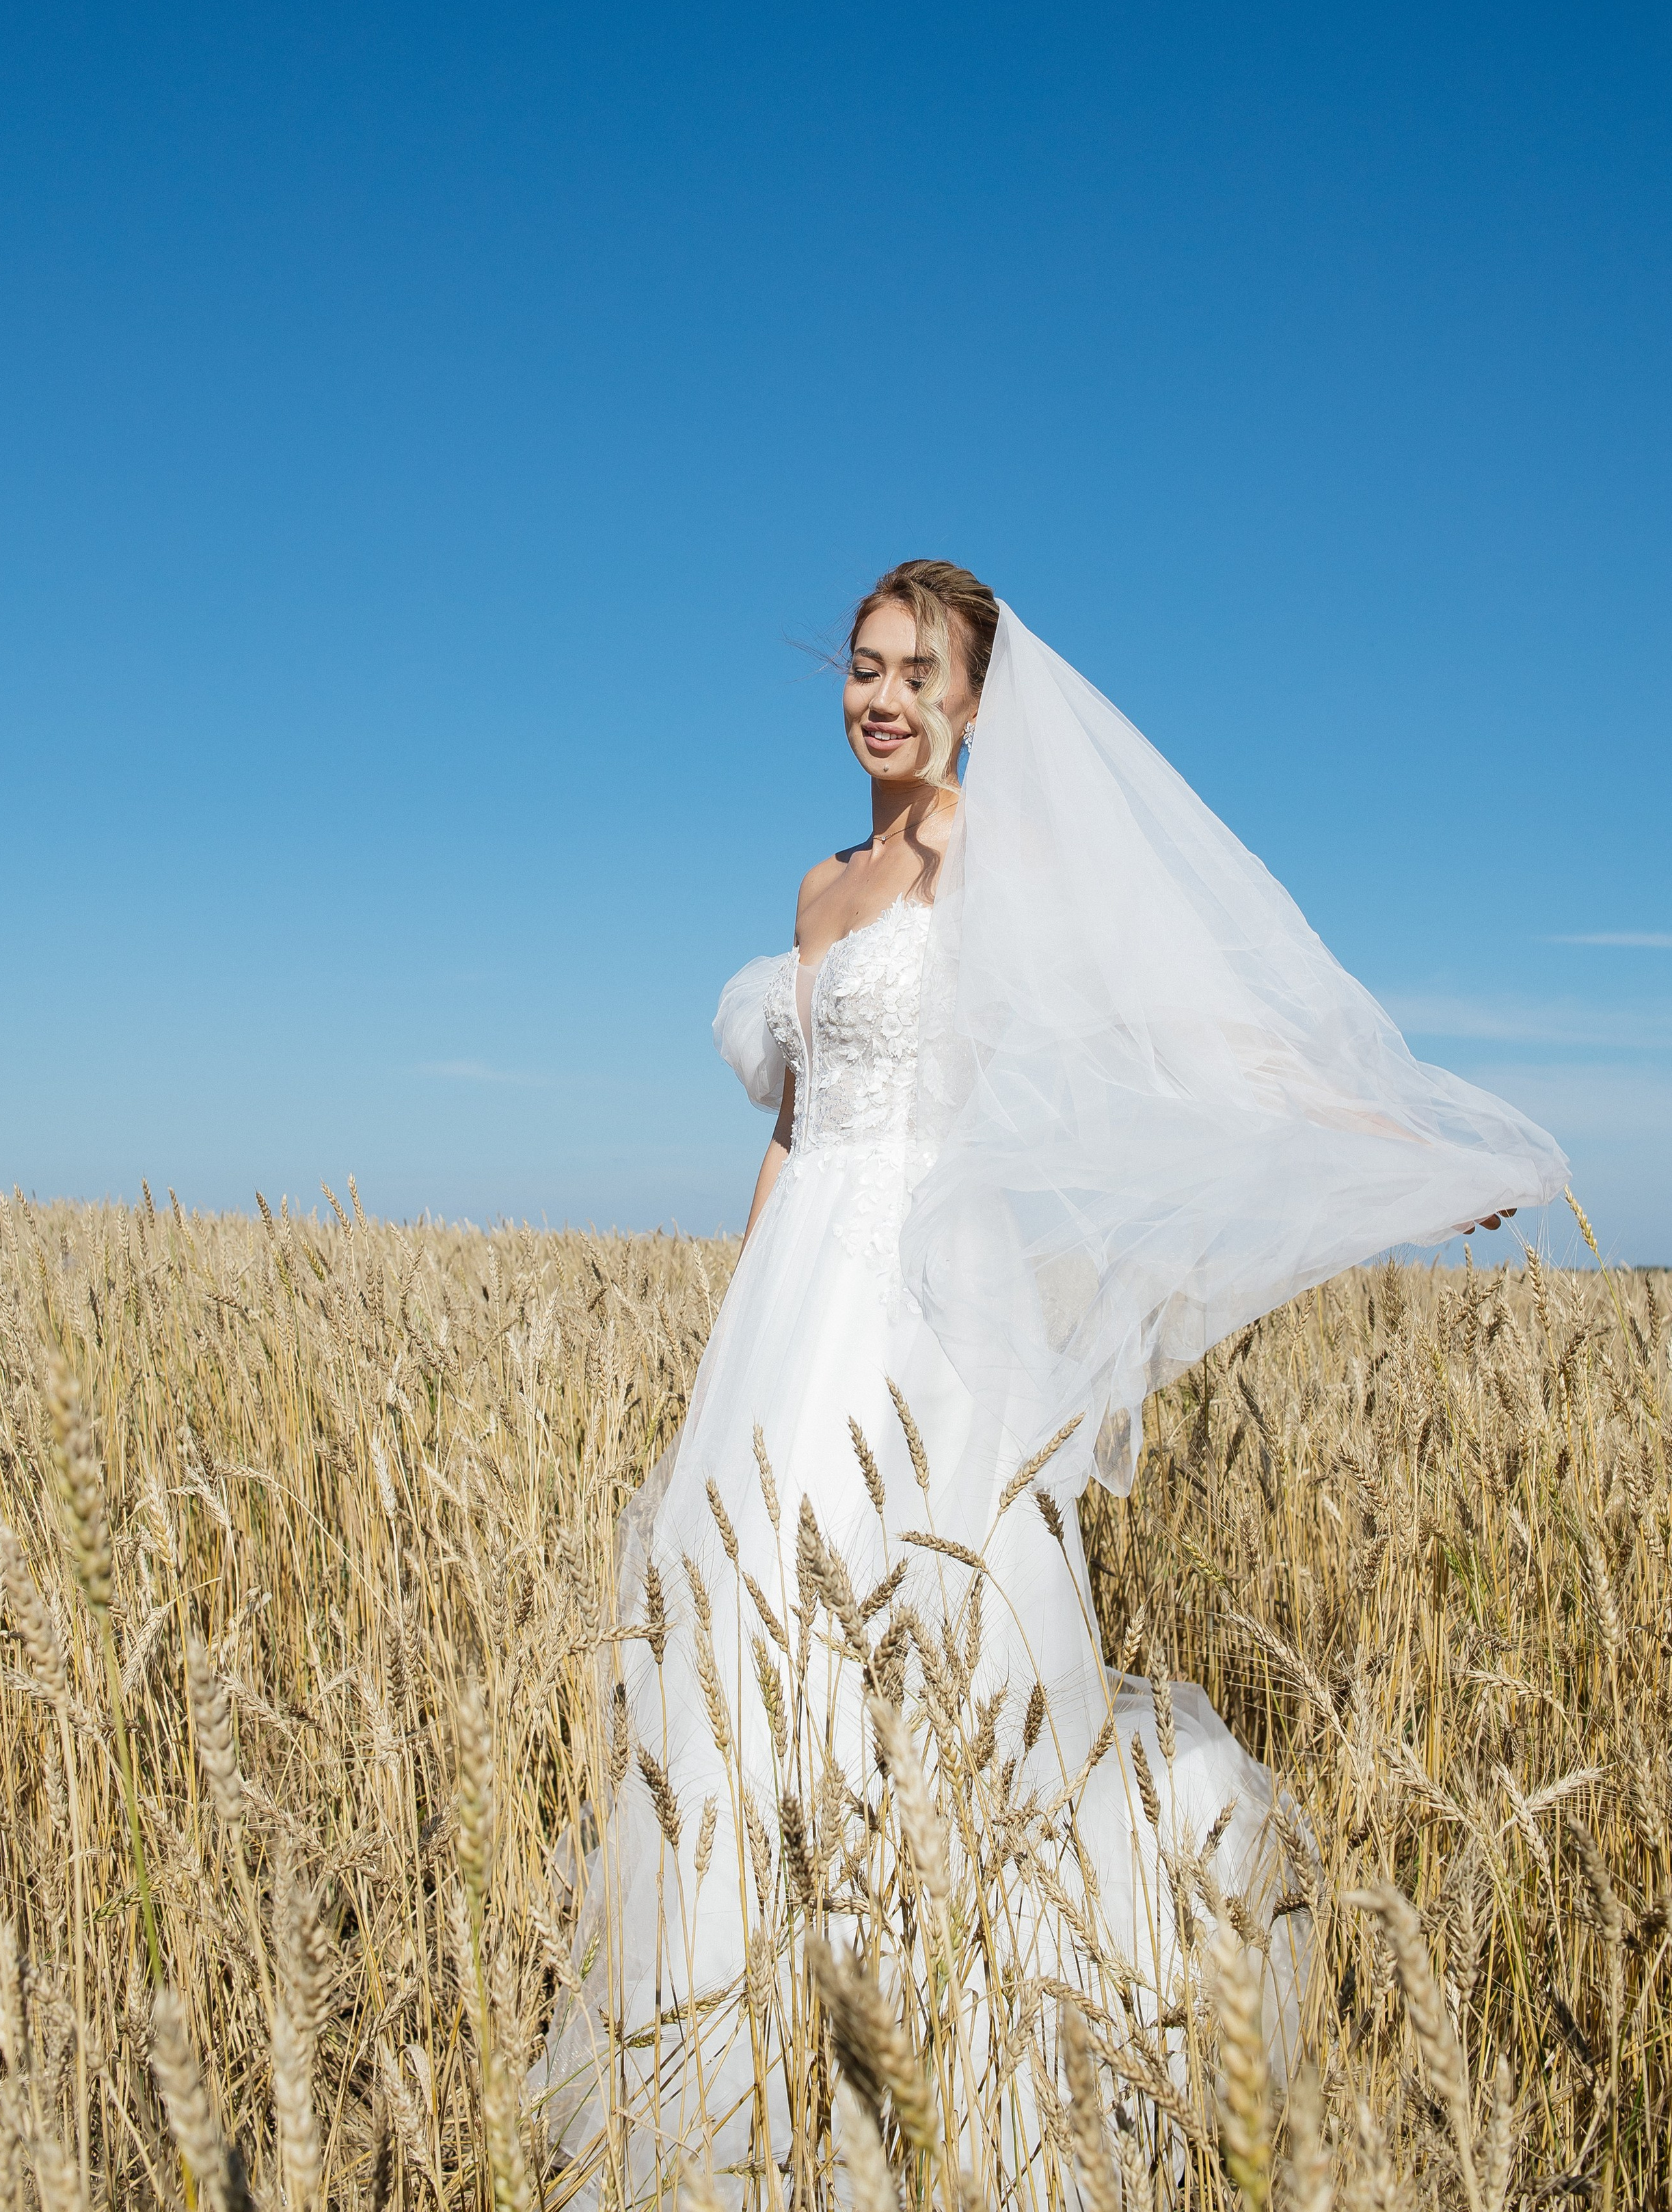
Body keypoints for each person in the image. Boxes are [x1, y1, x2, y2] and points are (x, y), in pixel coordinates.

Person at [537, 560, 1565, 2198]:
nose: (880, 697)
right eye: (862, 667)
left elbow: (1190, 1034)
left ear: (971, 700)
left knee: (953, 1666)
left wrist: (1404, 1150)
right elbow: (796, 1138)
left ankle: (961, 2056)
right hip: (799, 1312)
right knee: (758, 1657)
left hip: (938, 1311)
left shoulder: (995, 869)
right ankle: (752, 2059)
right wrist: (743, 1330)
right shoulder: (819, 889)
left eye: (915, 674)